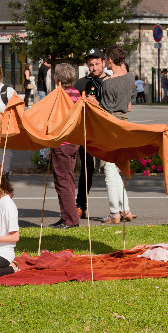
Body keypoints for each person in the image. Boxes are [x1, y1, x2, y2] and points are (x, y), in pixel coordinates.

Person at [95, 46, 137, 223]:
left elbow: (105, 109)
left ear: (110, 61)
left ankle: (114, 212)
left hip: (111, 126)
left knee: (110, 170)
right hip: (125, 124)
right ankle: (126, 209)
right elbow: (129, 104)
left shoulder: (108, 83)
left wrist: (92, 102)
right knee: (118, 169)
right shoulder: (130, 77)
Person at [74, 49, 110, 219]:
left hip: (107, 131)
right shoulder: (81, 84)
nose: (94, 68)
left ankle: (118, 209)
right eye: (90, 65)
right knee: (86, 170)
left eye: (97, 64)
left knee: (112, 169)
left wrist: (99, 104)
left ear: (103, 62)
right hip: (87, 132)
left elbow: (119, 107)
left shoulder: (111, 81)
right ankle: (81, 205)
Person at [47, 63, 82, 229]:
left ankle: (70, 220)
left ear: (57, 79)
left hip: (62, 142)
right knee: (68, 179)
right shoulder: (76, 93)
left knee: (62, 182)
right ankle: (66, 216)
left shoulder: (59, 96)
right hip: (74, 142)